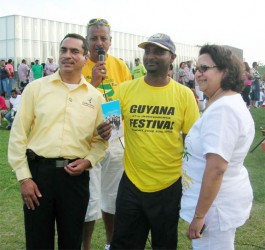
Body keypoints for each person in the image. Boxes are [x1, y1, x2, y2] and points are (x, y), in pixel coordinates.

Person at [98, 33, 200, 249]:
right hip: (132, 183)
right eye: (148, 51)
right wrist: (105, 130)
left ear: (172, 57)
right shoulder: (125, 89)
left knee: (164, 244)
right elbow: (112, 130)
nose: (151, 56)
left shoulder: (184, 95)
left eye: (159, 51)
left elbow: (192, 142)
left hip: (169, 185)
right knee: (124, 243)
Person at [8, 33, 108, 250]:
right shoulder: (36, 89)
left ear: (85, 58)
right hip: (38, 177)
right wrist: (24, 178)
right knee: (37, 242)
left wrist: (89, 161)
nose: (67, 55)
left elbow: (100, 141)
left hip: (75, 179)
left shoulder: (96, 97)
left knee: (71, 242)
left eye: (75, 51)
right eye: (63, 50)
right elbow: (18, 136)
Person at [180, 44, 255, 250]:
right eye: (196, 69)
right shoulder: (223, 103)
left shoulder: (223, 109)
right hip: (214, 205)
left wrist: (200, 215)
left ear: (226, 71)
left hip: (214, 209)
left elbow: (216, 168)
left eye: (204, 68)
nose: (197, 74)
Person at [81, 18, 132, 250]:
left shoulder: (120, 66)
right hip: (87, 139)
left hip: (115, 138)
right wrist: (92, 81)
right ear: (87, 41)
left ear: (110, 42)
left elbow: (127, 100)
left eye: (103, 38)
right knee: (89, 200)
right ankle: (86, 246)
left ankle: (111, 243)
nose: (99, 43)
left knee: (111, 197)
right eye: (94, 38)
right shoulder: (77, 64)